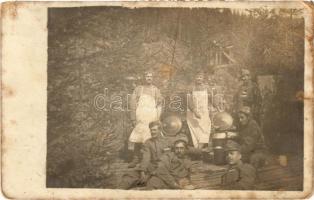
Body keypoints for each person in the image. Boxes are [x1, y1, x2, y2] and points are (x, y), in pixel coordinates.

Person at [119, 121, 171, 189]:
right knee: (129, 177)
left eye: (154, 130)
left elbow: (165, 161)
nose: (152, 132)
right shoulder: (148, 142)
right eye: (151, 130)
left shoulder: (167, 142)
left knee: (152, 183)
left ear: (160, 130)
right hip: (150, 167)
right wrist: (142, 171)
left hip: (162, 170)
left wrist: (151, 174)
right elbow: (146, 158)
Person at [128, 71, 163, 167]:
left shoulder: (156, 90)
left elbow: (159, 104)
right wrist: (133, 118)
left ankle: (148, 159)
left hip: (151, 117)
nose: (149, 78)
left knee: (150, 137)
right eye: (147, 76)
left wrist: (158, 118)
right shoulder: (138, 89)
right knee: (138, 137)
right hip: (140, 118)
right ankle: (135, 159)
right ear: (144, 77)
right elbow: (132, 104)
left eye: (150, 76)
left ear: (153, 78)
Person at [186, 71, 212, 149]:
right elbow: (189, 100)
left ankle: (201, 148)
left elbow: (212, 98)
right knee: (196, 130)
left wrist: (214, 106)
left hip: (204, 112)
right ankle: (197, 148)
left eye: (200, 77)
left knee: (205, 128)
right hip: (193, 113)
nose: (199, 79)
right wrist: (194, 111)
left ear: (203, 78)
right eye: (197, 77)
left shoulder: (207, 87)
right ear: (194, 78)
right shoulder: (191, 88)